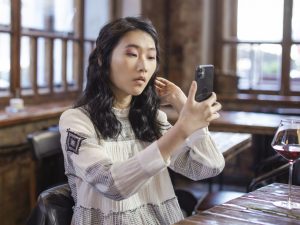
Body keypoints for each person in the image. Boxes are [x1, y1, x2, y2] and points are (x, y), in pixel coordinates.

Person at [59, 16, 224, 225]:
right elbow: (110, 184)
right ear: (102, 58)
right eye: (132, 54)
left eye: (151, 57)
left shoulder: (152, 118)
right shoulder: (76, 120)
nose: (143, 66)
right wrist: (182, 128)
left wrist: (184, 108)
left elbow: (206, 168)